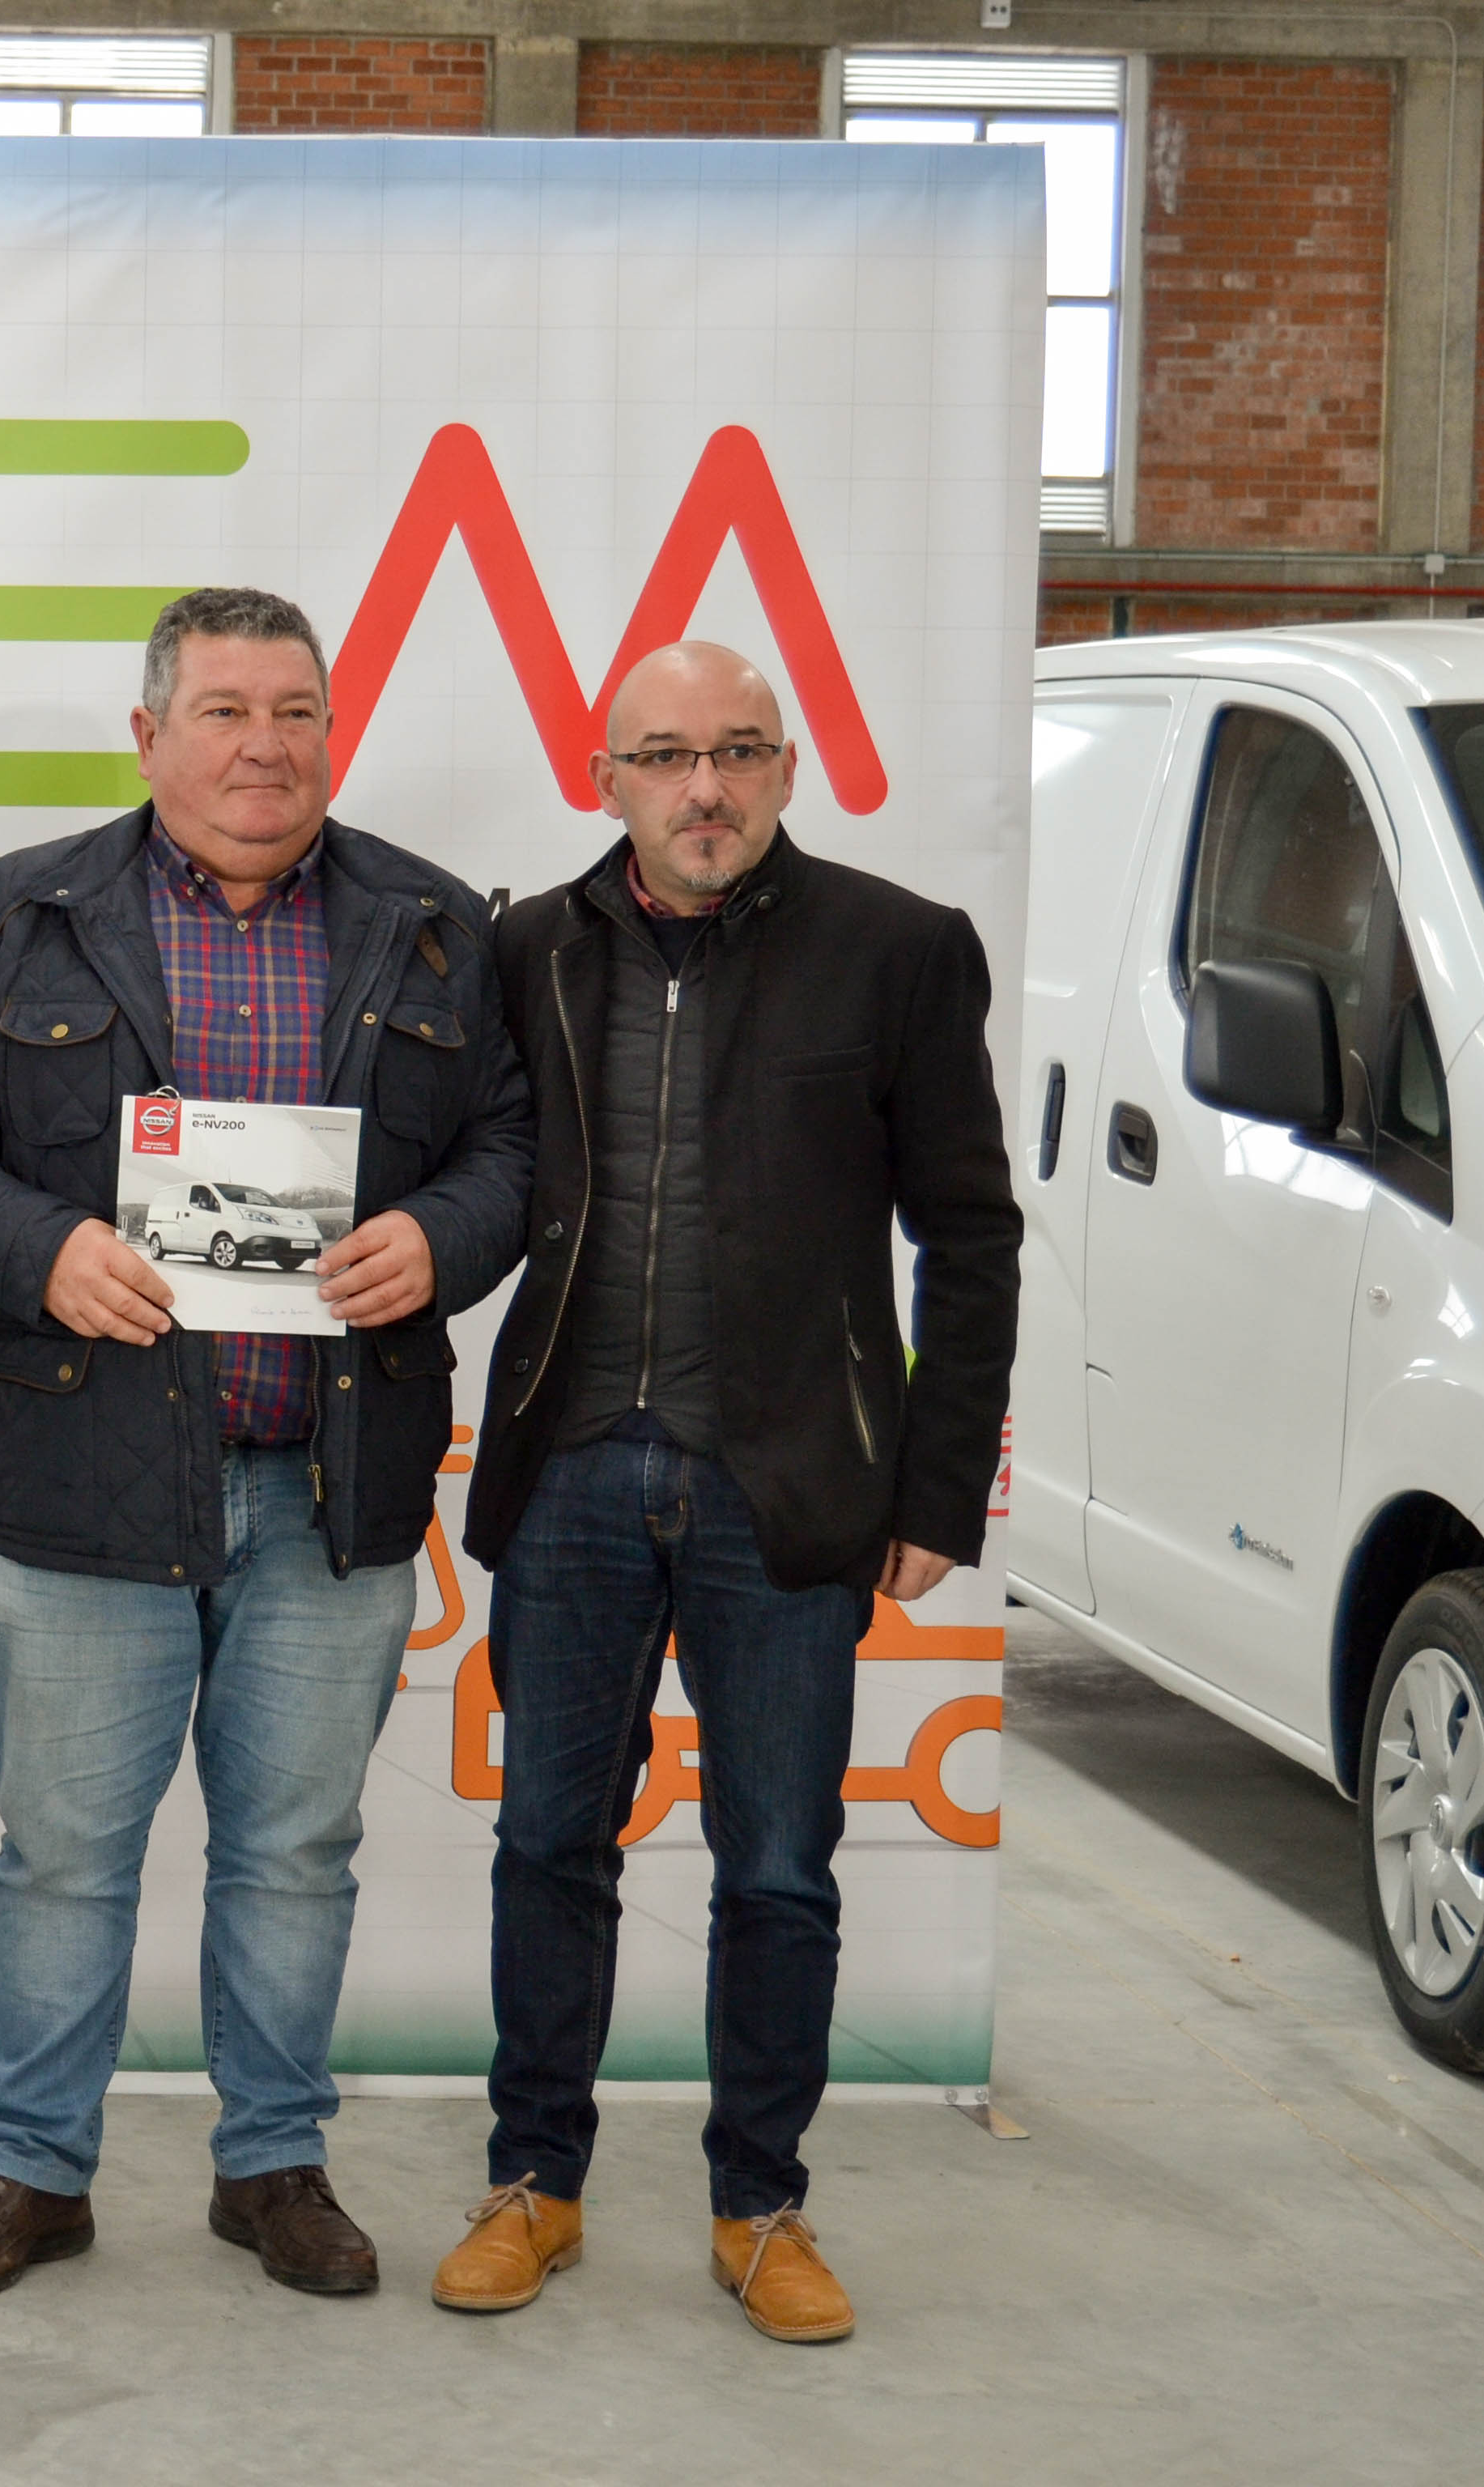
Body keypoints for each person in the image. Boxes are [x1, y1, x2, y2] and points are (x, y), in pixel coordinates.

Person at [0, 587, 534, 2303]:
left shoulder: (436, 925)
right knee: (66, 1856)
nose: (264, 747)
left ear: (334, 734)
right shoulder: (18, 913)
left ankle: (273, 2165)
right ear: (149, 736)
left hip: (330, 1486)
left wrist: (443, 1237)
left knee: (294, 1852)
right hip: (87, 1479)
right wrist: (43, 1250)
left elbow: (517, 1150)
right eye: (224, 711)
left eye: (296, 712)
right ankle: (33, 2171)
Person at [432, 640, 1018, 2345]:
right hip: (570, 1475)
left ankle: (760, 2205)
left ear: (787, 769)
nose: (708, 787)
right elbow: (480, 1177)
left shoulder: (899, 949)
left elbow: (970, 1235)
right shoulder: (531, 949)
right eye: (670, 755)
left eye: (743, 751)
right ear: (605, 776)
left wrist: (938, 1488)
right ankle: (533, 2183)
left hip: (792, 1490)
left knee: (777, 1868)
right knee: (548, 1844)